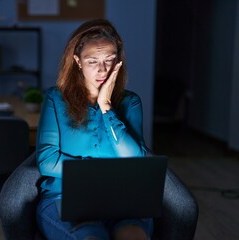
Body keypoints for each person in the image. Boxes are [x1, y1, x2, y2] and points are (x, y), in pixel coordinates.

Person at [36, 19, 152, 240]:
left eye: (109, 60)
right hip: (65, 197)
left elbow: (136, 159)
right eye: (92, 61)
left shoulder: (130, 102)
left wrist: (106, 106)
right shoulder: (55, 98)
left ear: (118, 61)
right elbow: (47, 160)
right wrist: (101, 173)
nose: (103, 70)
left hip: (122, 199)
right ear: (77, 61)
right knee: (92, 237)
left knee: (134, 236)